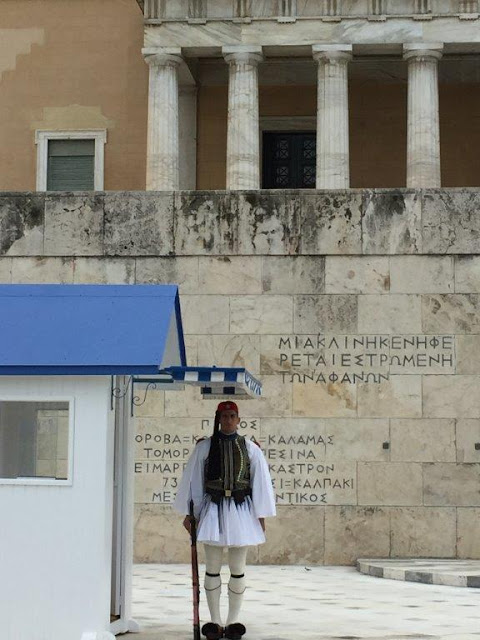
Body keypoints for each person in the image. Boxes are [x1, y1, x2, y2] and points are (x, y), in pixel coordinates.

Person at [173, 401, 276, 640]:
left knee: (238, 569)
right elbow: (194, 482)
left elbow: (260, 483)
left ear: (238, 419)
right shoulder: (205, 447)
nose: (228, 420)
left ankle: (233, 622)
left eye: (232, 416)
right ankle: (215, 622)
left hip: (241, 512)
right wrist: (192, 514)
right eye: (224, 416)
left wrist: (260, 516)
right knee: (212, 568)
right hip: (214, 510)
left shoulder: (250, 448)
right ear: (218, 418)